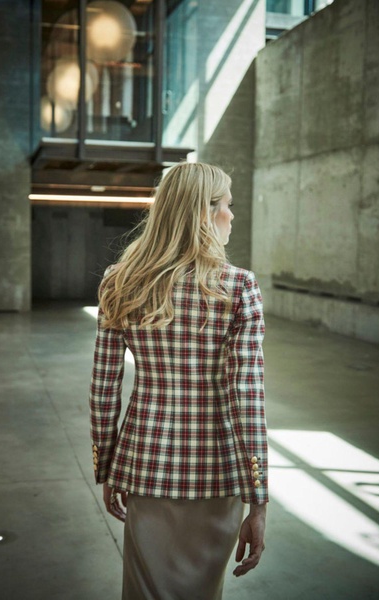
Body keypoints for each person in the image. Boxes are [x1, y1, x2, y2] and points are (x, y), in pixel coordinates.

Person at [89, 161, 268, 600]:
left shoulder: (121, 282)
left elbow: (103, 387)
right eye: (227, 205)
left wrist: (107, 467)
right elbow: (247, 395)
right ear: (204, 214)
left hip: (144, 465)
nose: (232, 214)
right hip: (218, 472)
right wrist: (258, 496)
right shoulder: (239, 288)